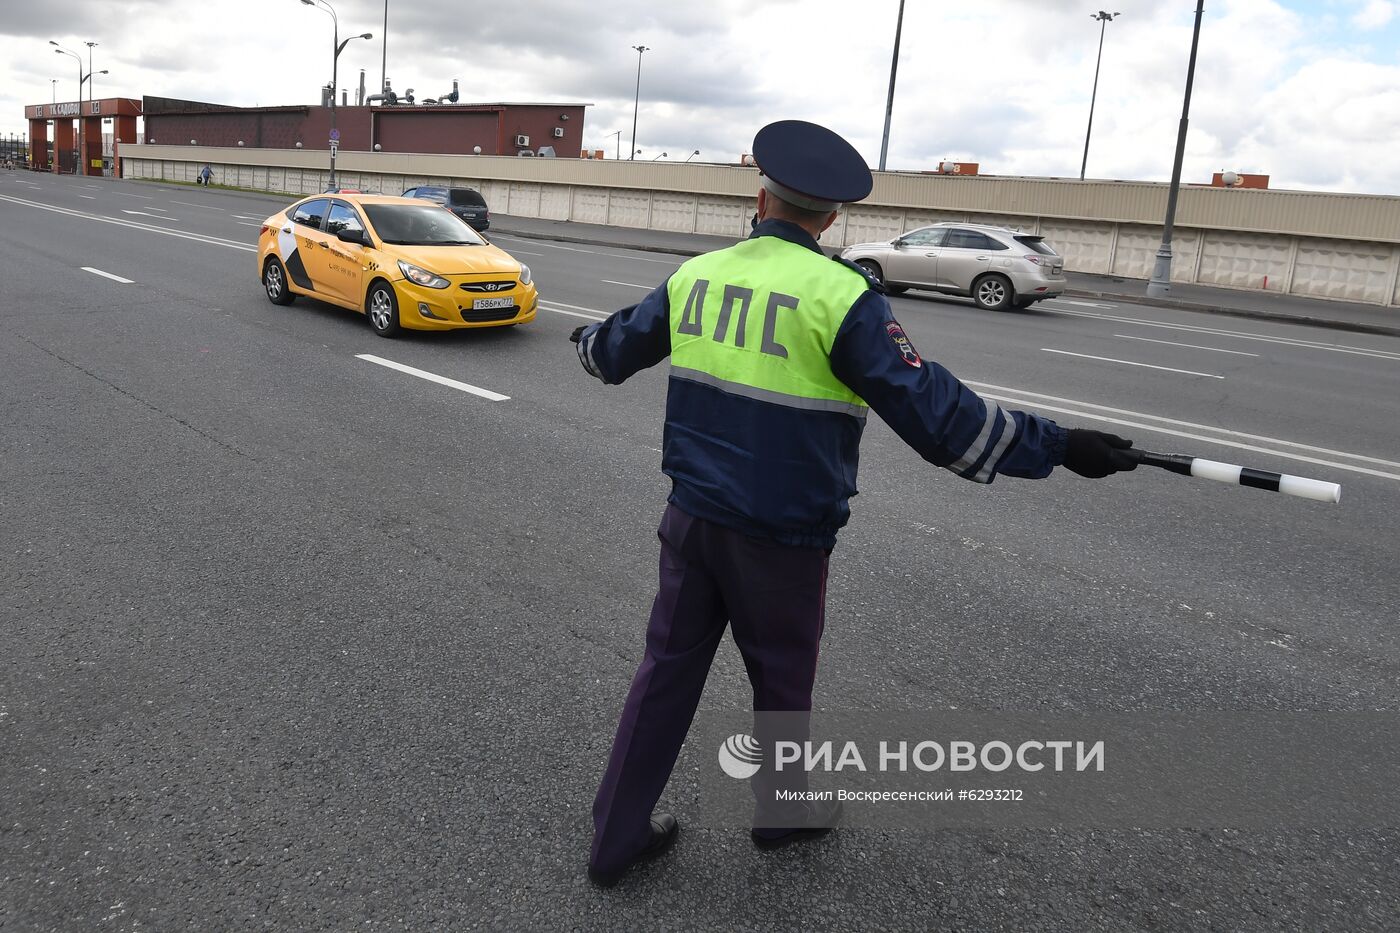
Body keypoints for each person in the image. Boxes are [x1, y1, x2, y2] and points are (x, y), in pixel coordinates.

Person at [569, 119, 1138, 888]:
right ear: (831, 216)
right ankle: (781, 811)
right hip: (783, 539)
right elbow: (942, 421)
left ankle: (615, 840)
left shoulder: (697, 275)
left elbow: (612, 350)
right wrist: (1062, 446)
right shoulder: (844, 297)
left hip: (693, 520)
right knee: (782, 677)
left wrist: (585, 339)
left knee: (664, 671)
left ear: (760, 197)